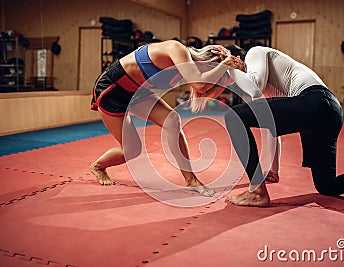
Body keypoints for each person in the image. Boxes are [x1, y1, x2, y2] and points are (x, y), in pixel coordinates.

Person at [191, 45, 344, 207]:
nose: (228, 82)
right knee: (327, 186)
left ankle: (256, 192)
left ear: (233, 58)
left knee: (234, 116)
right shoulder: (261, 83)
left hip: (317, 101)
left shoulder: (255, 53)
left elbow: (254, 86)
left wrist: (227, 66)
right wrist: (274, 169)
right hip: (328, 112)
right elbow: (270, 125)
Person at [90, 39, 240, 197]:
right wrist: (224, 66)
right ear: (206, 62)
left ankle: (191, 180)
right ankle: (98, 166)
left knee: (172, 120)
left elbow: (206, 94)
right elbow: (201, 86)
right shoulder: (176, 48)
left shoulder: (191, 70)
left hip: (137, 93)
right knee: (131, 150)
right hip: (112, 90)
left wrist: (228, 76)